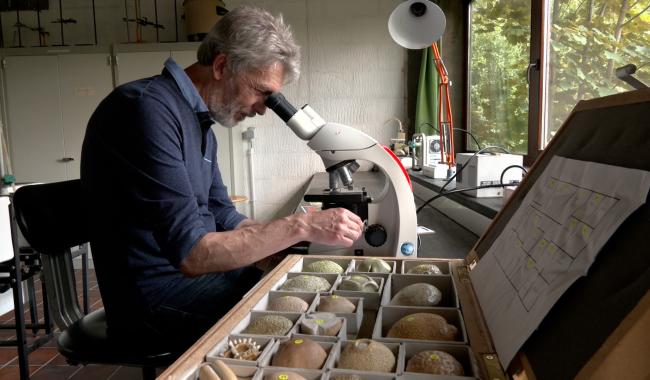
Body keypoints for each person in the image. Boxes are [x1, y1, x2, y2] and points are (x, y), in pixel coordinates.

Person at [80, 5, 364, 355]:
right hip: (153, 301)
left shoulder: (200, 126)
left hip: (193, 281)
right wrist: (299, 227)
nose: (262, 108)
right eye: (261, 91)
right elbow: (192, 255)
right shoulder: (145, 110)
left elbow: (223, 215)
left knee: (305, 290)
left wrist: (274, 253)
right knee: (298, 324)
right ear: (221, 66)